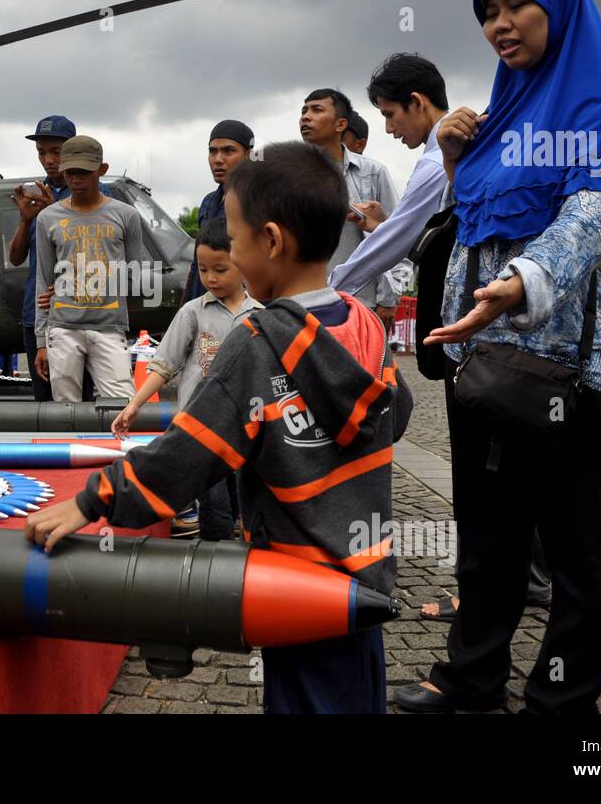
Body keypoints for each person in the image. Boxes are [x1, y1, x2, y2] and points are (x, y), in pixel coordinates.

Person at [27, 142, 412, 714]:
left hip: (297, 587)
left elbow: (189, 452)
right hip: (363, 580)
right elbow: (395, 415)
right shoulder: (365, 325)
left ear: (272, 241)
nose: (228, 251)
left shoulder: (257, 344)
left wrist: (93, 500)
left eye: (234, 240)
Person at [394, 0, 601, 715]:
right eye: (487, 12)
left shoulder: (594, 103)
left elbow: (587, 219)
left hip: (563, 372)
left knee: (580, 555)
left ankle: (559, 699)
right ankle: (472, 680)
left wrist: (517, 287)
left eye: (517, 7)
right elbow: (476, 222)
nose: (499, 26)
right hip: (482, 361)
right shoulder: (498, 110)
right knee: (488, 538)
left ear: (559, 8)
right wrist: (450, 158)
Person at [114, 217, 261, 541]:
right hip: (200, 430)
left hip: (244, 431)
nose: (210, 278)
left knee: (245, 500)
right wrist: (134, 404)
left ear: (242, 263)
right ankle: (212, 562)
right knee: (214, 504)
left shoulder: (261, 316)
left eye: (220, 269)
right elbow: (165, 364)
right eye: (203, 269)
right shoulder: (193, 313)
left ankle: (244, 562)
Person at [329, 54, 451, 337]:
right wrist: (385, 226)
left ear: (417, 102)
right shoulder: (448, 152)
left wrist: (329, 290)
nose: (388, 129)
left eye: (390, 114)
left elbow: (396, 239)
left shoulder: (437, 161)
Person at [33, 136, 144, 403]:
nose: (76, 179)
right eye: (71, 172)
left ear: (102, 170)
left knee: (123, 406)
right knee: (66, 412)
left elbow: (135, 276)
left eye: (84, 172)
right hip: (62, 328)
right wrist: (41, 341)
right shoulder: (47, 218)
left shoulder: (126, 215)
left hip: (109, 327)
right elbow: (43, 279)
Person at [6, 115, 95, 402]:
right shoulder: (36, 194)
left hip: (81, 313)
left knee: (81, 402)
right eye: (42, 152)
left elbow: (95, 246)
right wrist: (25, 220)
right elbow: (17, 258)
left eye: (55, 152)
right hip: (38, 314)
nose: (48, 159)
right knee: (44, 403)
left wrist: (56, 210)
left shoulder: (93, 191)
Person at [299, 88, 402, 327]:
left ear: (340, 124)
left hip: (359, 304)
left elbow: (396, 237)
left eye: (316, 110)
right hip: (303, 302)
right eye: (304, 110)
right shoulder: (288, 177)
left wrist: (389, 297)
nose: (305, 116)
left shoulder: (372, 173)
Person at [182, 120, 254, 303]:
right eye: (212, 151)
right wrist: (185, 309)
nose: (218, 159)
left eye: (228, 151)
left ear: (248, 155)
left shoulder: (260, 201)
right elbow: (197, 263)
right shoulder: (208, 202)